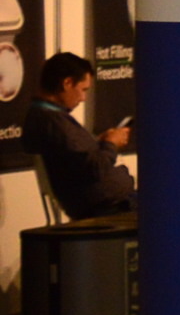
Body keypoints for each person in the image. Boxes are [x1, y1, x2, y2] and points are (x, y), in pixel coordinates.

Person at [22, 53, 134, 218]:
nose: (83, 98)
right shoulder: (54, 122)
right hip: (109, 209)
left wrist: (100, 143)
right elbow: (94, 168)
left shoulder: (48, 118)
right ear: (67, 83)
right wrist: (111, 144)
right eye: (83, 90)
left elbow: (75, 157)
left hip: (112, 204)